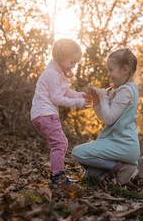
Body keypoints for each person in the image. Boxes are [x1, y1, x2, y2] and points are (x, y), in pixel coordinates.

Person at [72, 48, 143, 184]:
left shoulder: (126, 90)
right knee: (90, 177)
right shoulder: (121, 89)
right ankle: (133, 167)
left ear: (125, 70)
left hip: (122, 145)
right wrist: (96, 100)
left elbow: (109, 118)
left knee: (78, 153)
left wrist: (103, 97)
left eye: (111, 70)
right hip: (115, 144)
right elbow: (105, 118)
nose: (108, 75)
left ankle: (123, 168)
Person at [31, 38, 91, 187]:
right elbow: (56, 98)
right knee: (59, 143)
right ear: (60, 57)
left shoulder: (58, 72)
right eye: (71, 62)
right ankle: (57, 176)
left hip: (44, 114)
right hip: (45, 114)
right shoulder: (53, 73)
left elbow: (65, 91)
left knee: (62, 142)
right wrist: (78, 103)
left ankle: (56, 175)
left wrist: (80, 95)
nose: (73, 65)